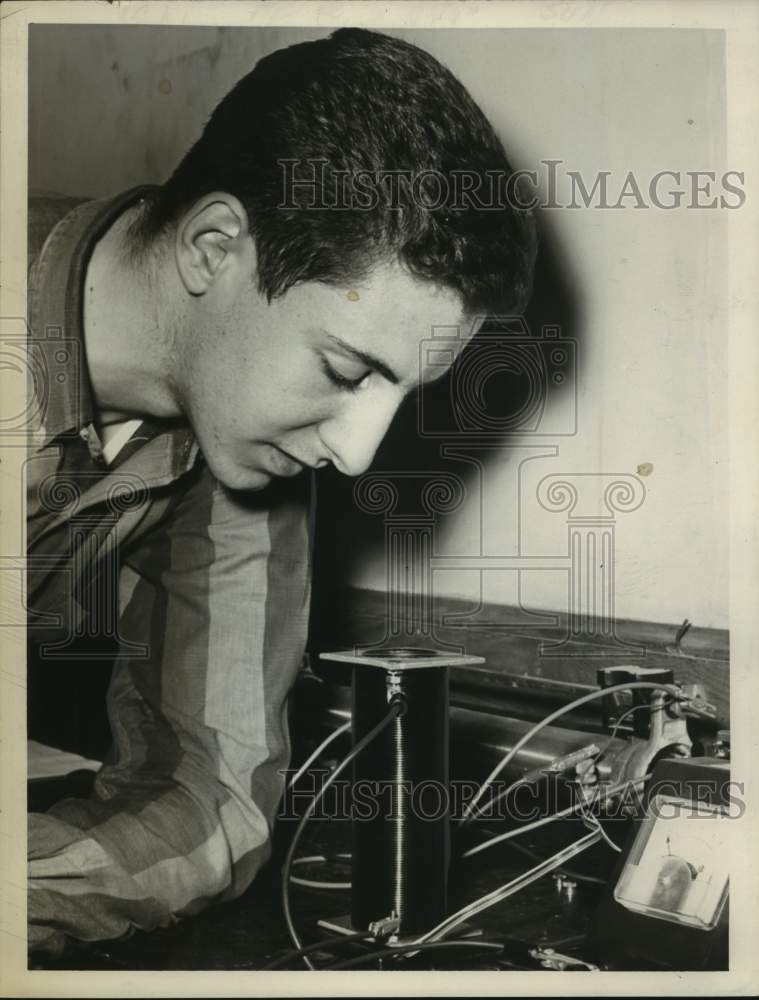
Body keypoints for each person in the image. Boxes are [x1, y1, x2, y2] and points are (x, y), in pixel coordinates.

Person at [26, 27, 537, 955]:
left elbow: (212, 803)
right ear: (215, 248)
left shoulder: (236, 427)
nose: (356, 457)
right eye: (347, 370)